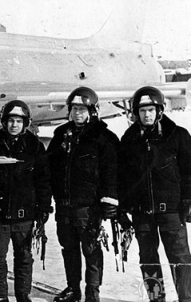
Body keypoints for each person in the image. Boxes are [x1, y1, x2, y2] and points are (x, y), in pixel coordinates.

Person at [118, 86, 191, 302]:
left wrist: (190, 201)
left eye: (151, 110)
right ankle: (156, 298)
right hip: (142, 213)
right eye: (142, 111)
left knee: (180, 259)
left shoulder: (178, 136)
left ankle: (187, 299)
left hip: (171, 211)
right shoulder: (129, 139)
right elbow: (123, 178)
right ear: (136, 113)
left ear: (160, 111)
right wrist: (122, 209)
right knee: (149, 260)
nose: (147, 115)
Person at [47, 87, 119, 302]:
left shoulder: (104, 138)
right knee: (68, 248)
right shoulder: (61, 134)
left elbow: (112, 172)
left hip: (89, 207)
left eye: (82, 109)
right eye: (74, 109)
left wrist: (110, 199)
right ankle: (72, 289)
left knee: (91, 250)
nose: (78, 113)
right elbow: (48, 166)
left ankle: (92, 293)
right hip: (64, 205)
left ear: (92, 111)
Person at [0, 100, 52, 302]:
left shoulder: (34, 146)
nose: (14, 125)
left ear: (25, 122)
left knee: (24, 259)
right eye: (10, 120)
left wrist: (43, 208)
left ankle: (22, 295)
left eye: (18, 121)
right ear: (4, 121)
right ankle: (0, 296)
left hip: (24, 215)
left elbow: (43, 180)